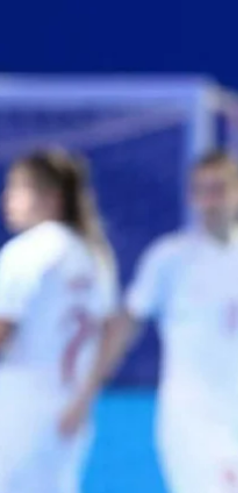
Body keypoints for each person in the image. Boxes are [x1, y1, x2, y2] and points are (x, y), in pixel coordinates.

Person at [67, 151, 238, 493]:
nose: (209, 201)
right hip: (187, 416)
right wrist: (85, 393)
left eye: (219, 189)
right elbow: (124, 327)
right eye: (201, 191)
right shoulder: (168, 258)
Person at [0, 149, 117, 493]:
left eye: (18, 188)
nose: (7, 198)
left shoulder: (29, 250)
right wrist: (83, 399)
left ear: (51, 198)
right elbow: (108, 334)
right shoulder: (95, 253)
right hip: (71, 409)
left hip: (19, 403)